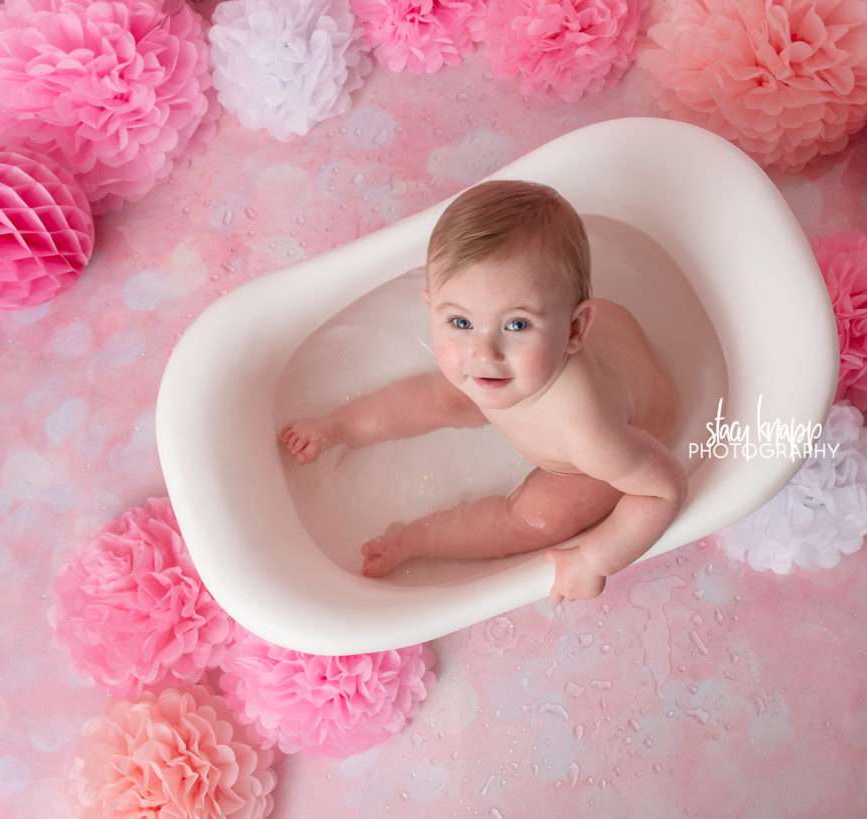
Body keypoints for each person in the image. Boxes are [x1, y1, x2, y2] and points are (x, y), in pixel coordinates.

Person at [277, 180, 686, 603]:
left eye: (516, 325)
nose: (483, 352)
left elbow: (661, 490)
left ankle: (418, 540)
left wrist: (594, 560)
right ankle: (342, 427)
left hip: (620, 438)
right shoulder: (508, 366)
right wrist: (335, 425)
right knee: (444, 397)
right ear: (430, 305)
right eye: (460, 322)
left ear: (575, 329)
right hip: (608, 345)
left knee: (538, 516)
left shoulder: (588, 431)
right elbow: (435, 398)